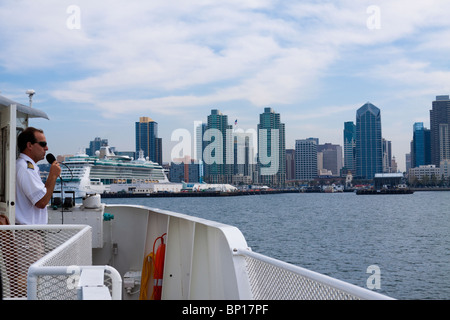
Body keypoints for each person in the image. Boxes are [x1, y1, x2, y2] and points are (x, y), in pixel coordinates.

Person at [15, 127, 61, 225]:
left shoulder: (24, 166)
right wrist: (52, 176)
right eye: (43, 144)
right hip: (28, 234)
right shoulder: (26, 168)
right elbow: (41, 202)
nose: (47, 148)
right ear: (29, 145)